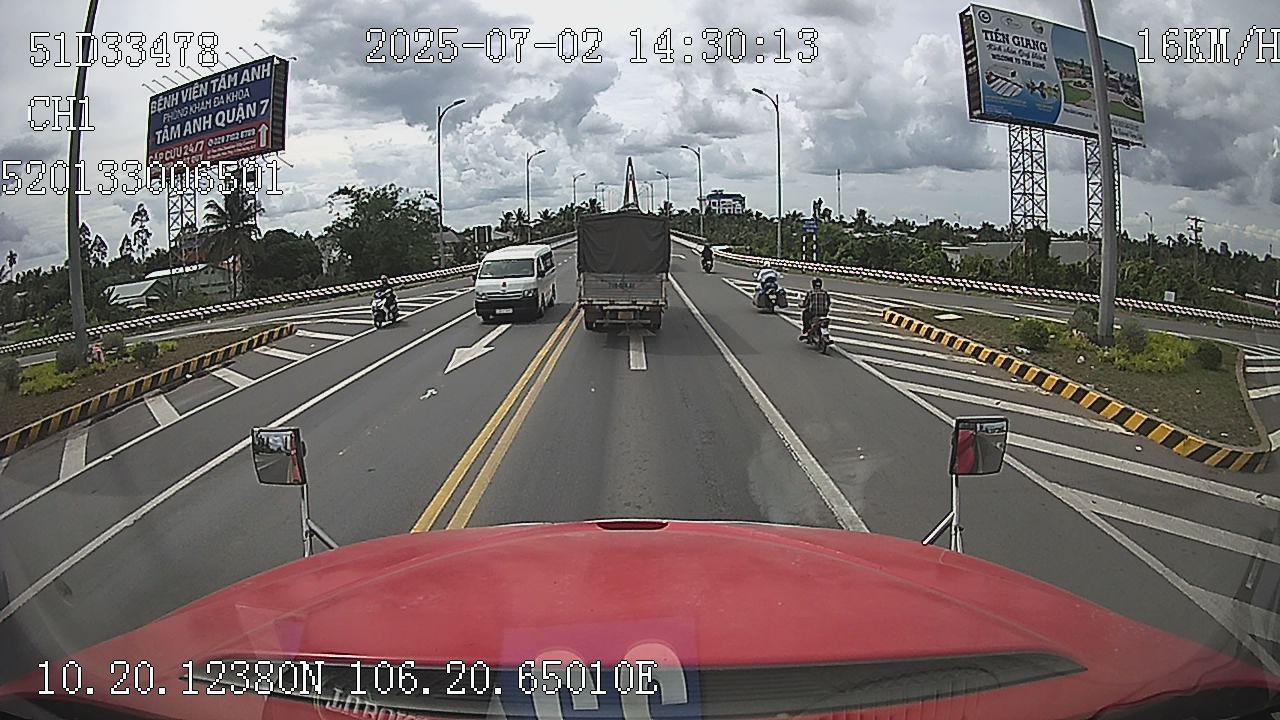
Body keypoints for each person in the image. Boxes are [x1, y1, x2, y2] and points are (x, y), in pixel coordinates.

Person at [800, 277, 832, 341]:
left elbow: (806, 303)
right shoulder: (825, 293)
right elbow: (829, 302)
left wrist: (801, 305)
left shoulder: (810, 293)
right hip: (824, 313)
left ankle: (806, 331)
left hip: (813, 313)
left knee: (805, 314)